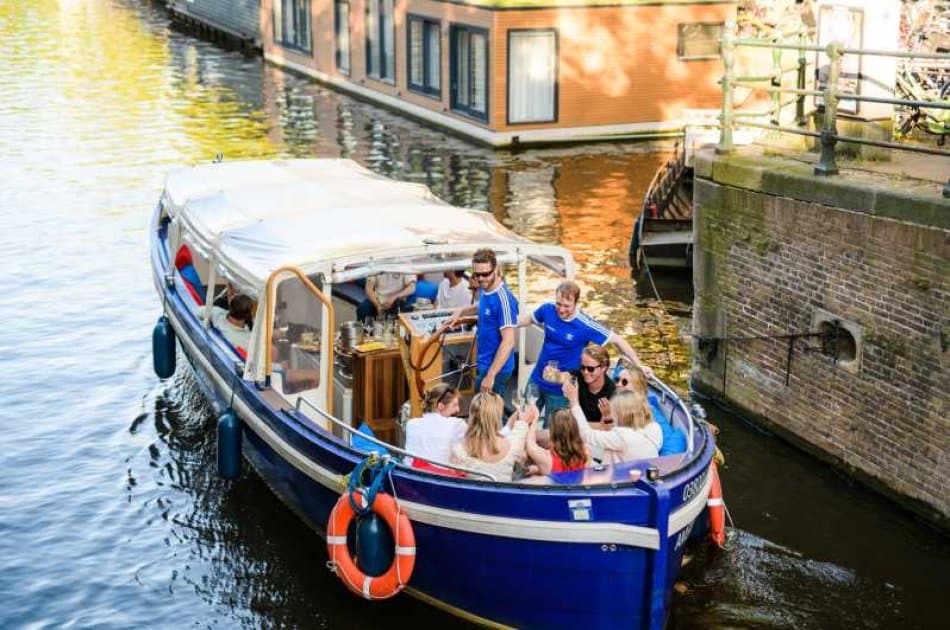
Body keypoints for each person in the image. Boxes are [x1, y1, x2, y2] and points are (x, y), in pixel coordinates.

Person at [517, 280, 653, 421]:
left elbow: (619, 341)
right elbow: (529, 319)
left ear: (576, 303)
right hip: (537, 378)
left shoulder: (585, 325)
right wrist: (506, 323)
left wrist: (639, 365)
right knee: (523, 419)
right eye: (558, 304)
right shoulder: (547, 309)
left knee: (552, 432)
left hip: (562, 387)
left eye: (566, 306)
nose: (561, 309)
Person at [449, 249, 519, 397]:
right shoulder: (485, 288)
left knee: (489, 417)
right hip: (483, 362)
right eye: (476, 275)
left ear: (496, 269)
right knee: (480, 410)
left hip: (496, 370)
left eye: (485, 274)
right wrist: (461, 312)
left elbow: (509, 342)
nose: (481, 279)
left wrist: (491, 375)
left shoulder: (504, 299)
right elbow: (482, 306)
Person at [564, 383, 662, 465]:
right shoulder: (654, 427)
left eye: (613, 411)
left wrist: (574, 402)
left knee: (573, 448)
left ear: (621, 414)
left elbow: (586, 435)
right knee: (583, 446)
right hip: (631, 466)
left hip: (617, 477)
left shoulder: (623, 437)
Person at [451, 392, 536, 482]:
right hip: (503, 494)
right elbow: (521, 432)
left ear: (472, 415)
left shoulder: (459, 450)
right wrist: (528, 420)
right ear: (497, 417)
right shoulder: (512, 445)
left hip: (474, 495)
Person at [614, 366, 687, 455]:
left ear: (638, 388)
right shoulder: (615, 403)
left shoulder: (651, 412)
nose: (618, 384)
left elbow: (670, 442)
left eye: (624, 382)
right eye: (617, 380)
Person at [404, 384, 466, 466]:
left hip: (410, 475)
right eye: (454, 405)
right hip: (439, 477)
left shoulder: (411, 423)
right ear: (440, 406)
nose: (458, 409)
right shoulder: (457, 425)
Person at [525, 407, 590, 476]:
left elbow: (530, 443)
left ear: (552, 433)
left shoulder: (546, 458)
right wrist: (538, 469)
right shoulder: (585, 453)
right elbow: (569, 473)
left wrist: (535, 417)